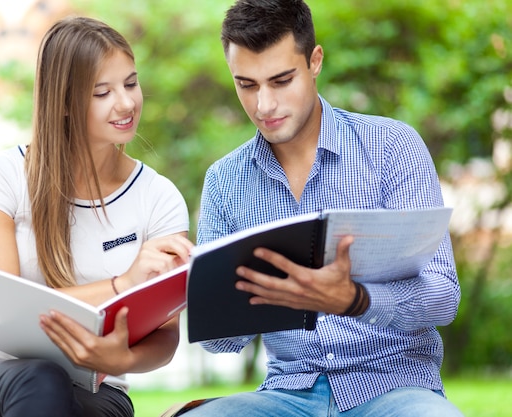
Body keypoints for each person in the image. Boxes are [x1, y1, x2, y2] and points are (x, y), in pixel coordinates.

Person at [181, 0, 464, 416]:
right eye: (246, 85)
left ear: (315, 61)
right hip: (287, 394)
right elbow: (221, 343)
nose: (264, 106)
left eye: (281, 80)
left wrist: (355, 299)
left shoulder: (392, 148)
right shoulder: (224, 181)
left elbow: (444, 298)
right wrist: (198, 287)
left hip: (393, 385)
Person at [0, 16, 194, 417]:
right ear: (63, 102)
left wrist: (120, 362)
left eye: (130, 83)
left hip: (97, 388)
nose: (126, 103)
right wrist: (122, 284)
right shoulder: (1, 179)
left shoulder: (159, 199)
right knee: (42, 380)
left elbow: (166, 337)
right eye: (102, 92)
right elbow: (3, 315)